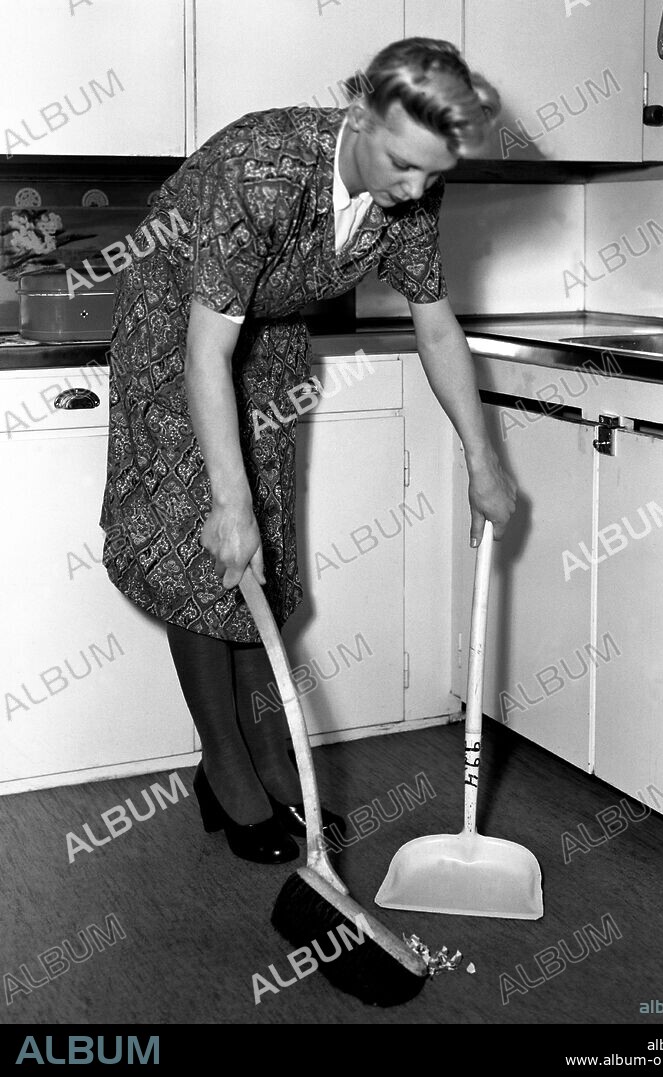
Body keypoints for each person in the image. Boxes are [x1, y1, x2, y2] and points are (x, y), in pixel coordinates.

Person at [99, 37, 517, 866]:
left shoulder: (409, 199)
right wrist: (225, 499)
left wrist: (482, 458)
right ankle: (225, 769)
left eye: (433, 177)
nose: (414, 191)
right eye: (404, 164)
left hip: (273, 334)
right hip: (175, 330)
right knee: (204, 549)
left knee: (268, 554)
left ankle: (265, 756)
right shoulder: (260, 170)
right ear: (358, 114)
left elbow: (435, 322)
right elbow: (204, 352)